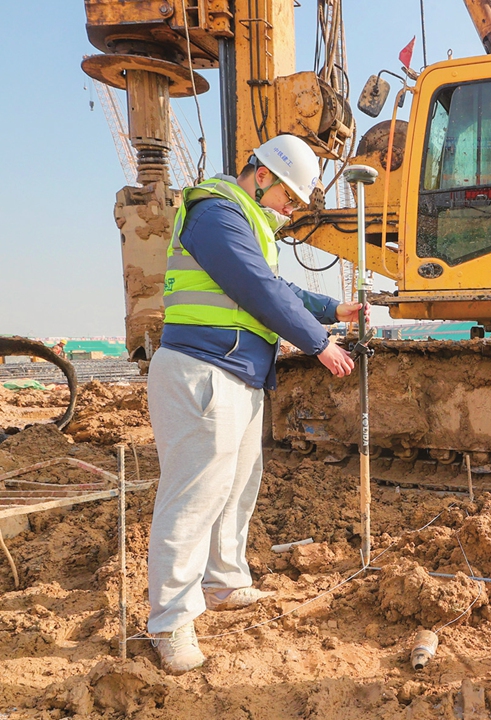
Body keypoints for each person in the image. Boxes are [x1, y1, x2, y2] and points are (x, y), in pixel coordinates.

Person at [147, 134, 361, 674]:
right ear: (261, 175)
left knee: (238, 486)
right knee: (193, 497)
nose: (292, 209)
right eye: (290, 197)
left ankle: (223, 581)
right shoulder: (215, 213)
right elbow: (258, 288)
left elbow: (278, 284)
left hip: (239, 374)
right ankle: (170, 620)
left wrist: (334, 307)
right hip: (202, 369)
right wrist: (319, 341)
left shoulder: (248, 225)